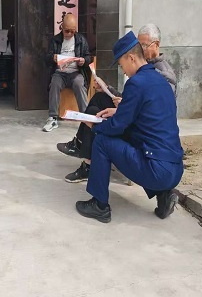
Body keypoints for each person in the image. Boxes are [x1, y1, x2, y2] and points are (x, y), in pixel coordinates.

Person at [75, 31, 184, 223]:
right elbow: (148, 117)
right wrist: (118, 111)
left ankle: (99, 206)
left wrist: (93, 125)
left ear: (131, 58)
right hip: (175, 169)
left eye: (121, 64)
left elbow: (117, 127)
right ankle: (164, 196)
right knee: (135, 138)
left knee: (102, 141)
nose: (123, 70)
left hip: (156, 170)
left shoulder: (136, 82)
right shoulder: (160, 80)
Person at [59, 24, 178, 183]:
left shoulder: (163, 75)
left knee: (97, 119)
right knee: (99, 99)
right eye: (139, 45)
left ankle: (89, 165)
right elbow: (133, 98)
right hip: (134, 114)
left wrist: (119, 110)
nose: (140, 49)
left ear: (156, 45)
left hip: (145, 131)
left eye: (144, 45)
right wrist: (109, 89)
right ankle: (81, 145)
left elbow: (156, 110)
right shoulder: (143, 68)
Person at [43, 13, 92, 132]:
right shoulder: (55, 40)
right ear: (62, 28)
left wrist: (83, 61)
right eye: (67, 31)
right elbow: (46, 59)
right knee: (54, 84)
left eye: (72, 31)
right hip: (60, 73)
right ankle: (53, 118)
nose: (69, 34)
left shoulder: (81, 40)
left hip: (76, 72)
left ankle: (85, 117)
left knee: (79, 84)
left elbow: (88, 57)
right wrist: (53, 58)